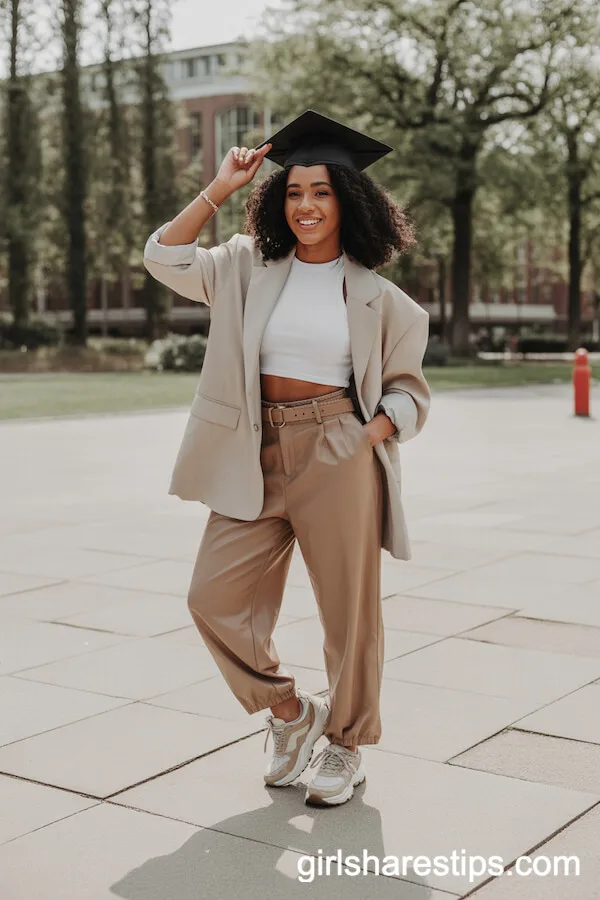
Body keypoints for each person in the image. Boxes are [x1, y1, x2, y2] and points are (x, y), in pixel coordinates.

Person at [143, 110, 431, 807]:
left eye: (322, 192)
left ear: (348, 201)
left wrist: (368, 434)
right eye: (295, 191)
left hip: (338, 449)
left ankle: (348, 745)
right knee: (212, 597)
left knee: (349, 612)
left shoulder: (381, 298)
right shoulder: (245, 265)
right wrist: (218, 187)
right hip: (253, 447)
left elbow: (410, 393)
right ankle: (292, 714)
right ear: (279, 200)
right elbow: (164, 257)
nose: (306, 205)